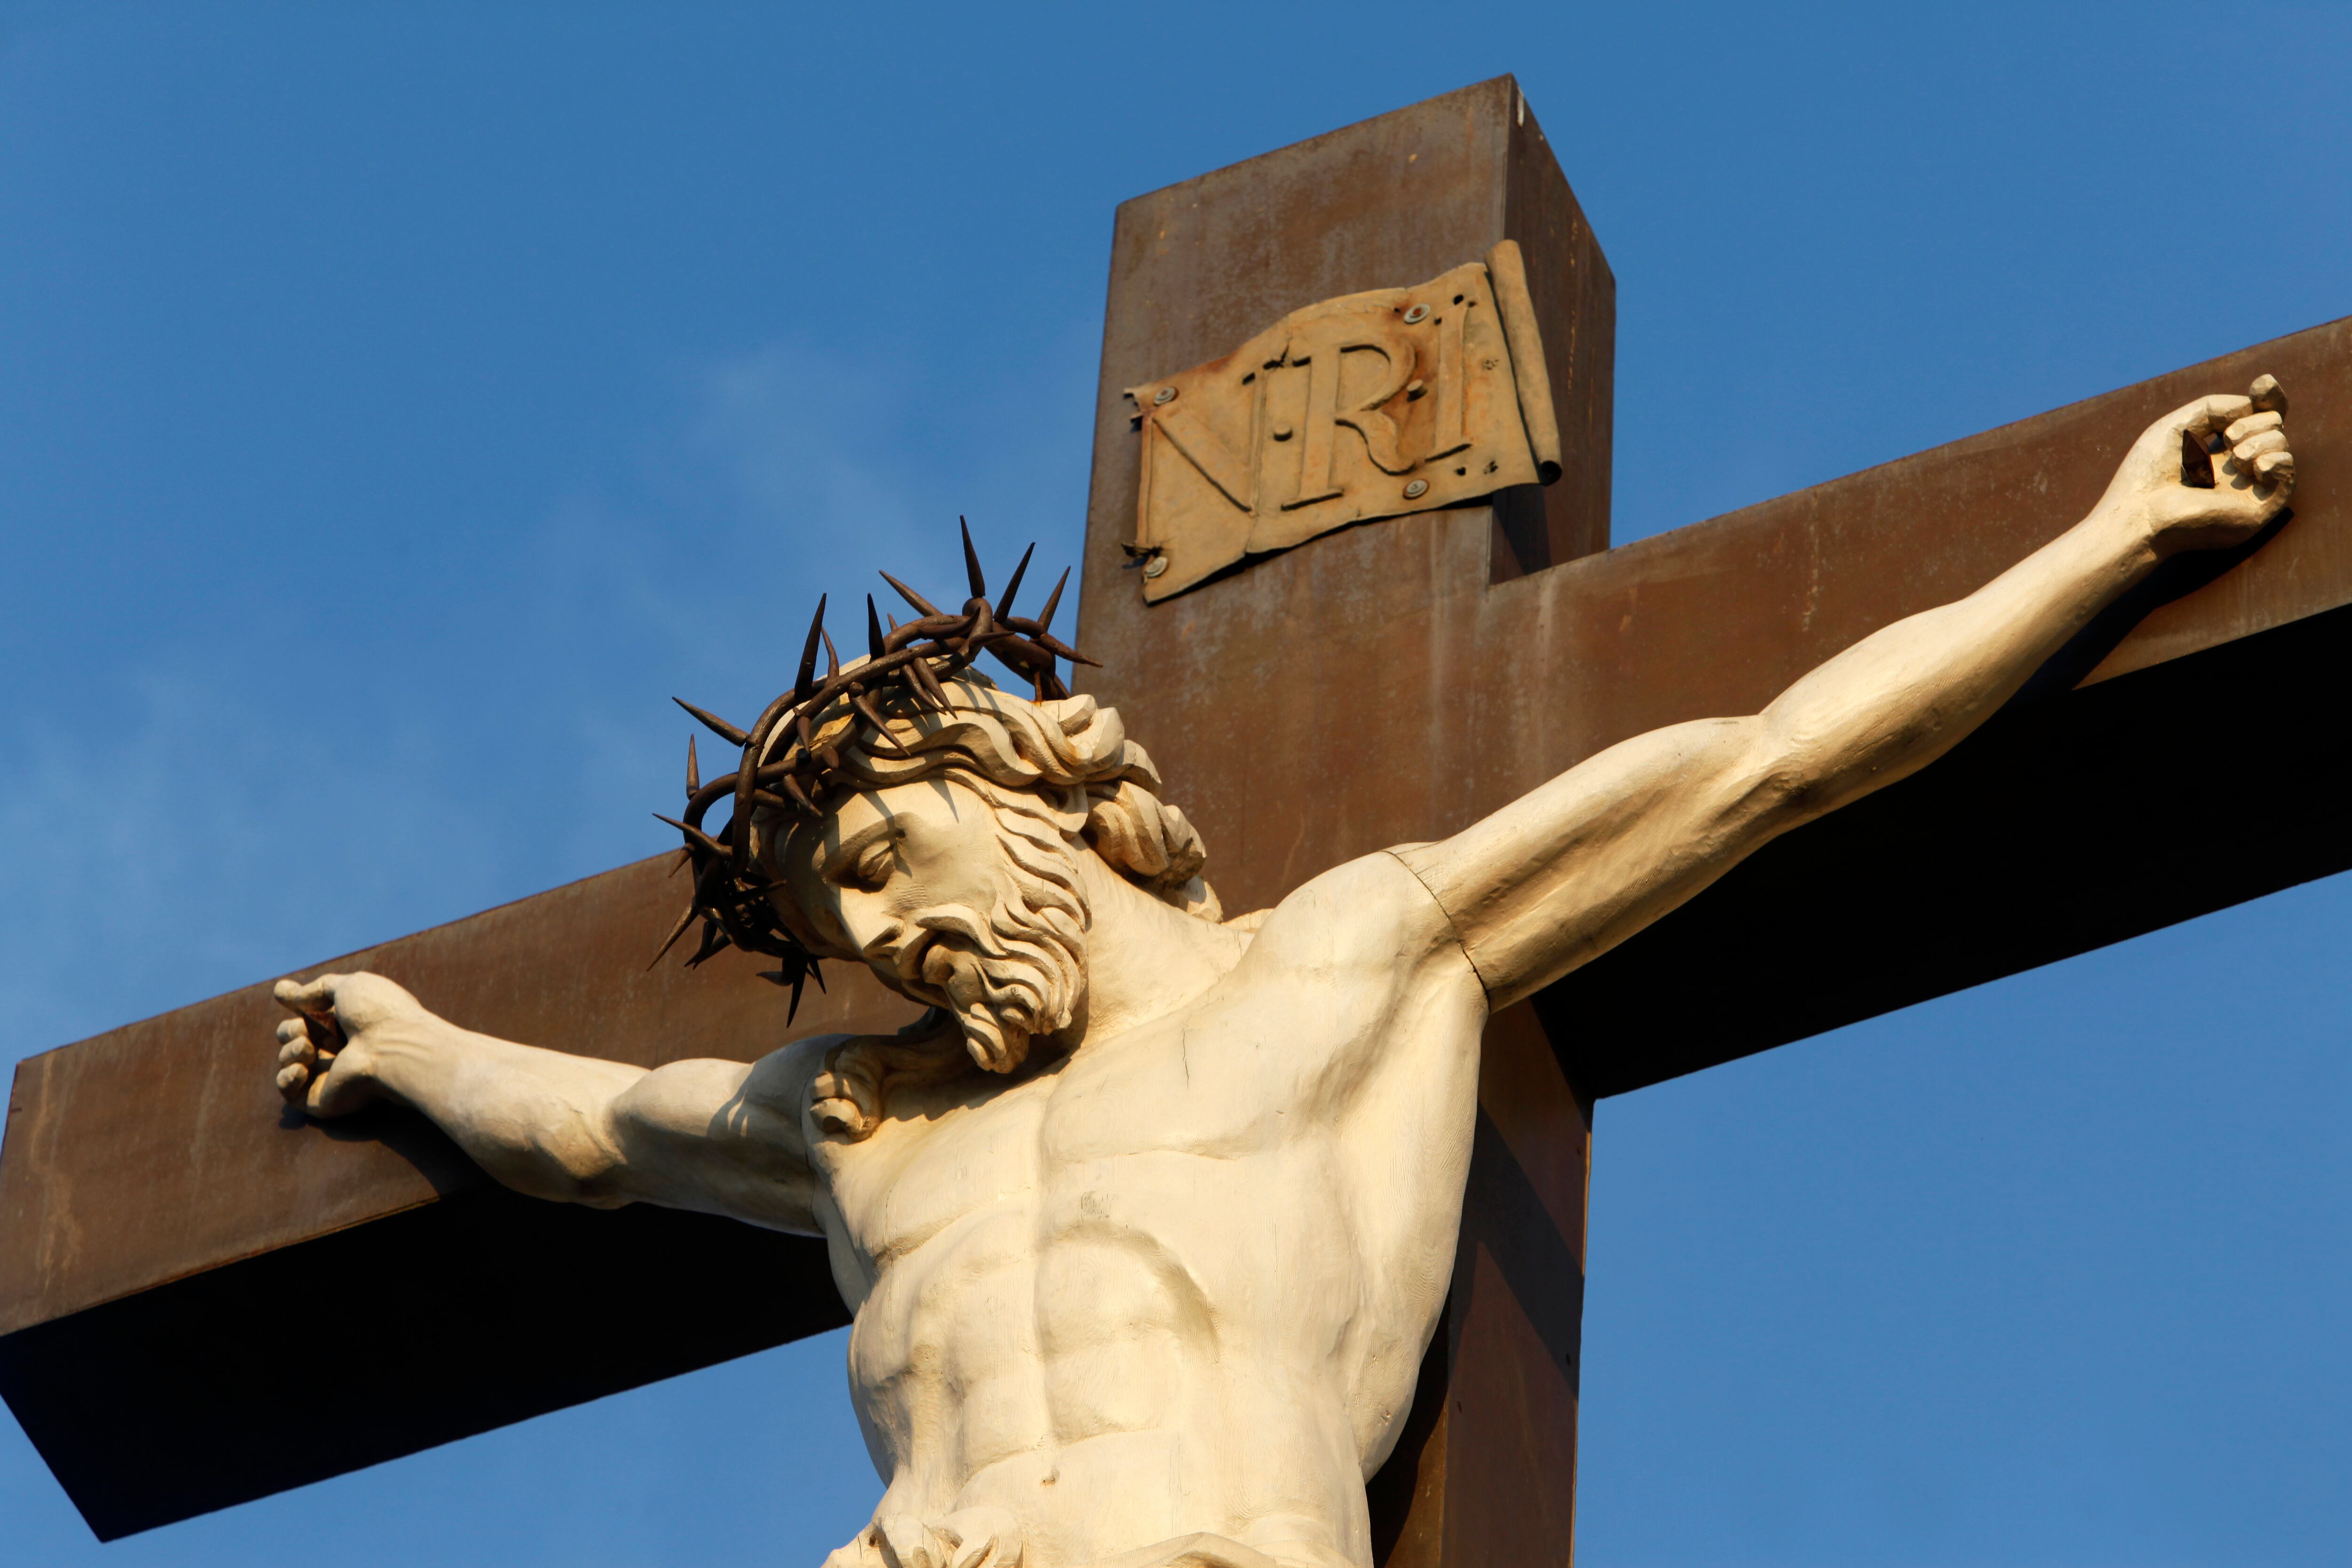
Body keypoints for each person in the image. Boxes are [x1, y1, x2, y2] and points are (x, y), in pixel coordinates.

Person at [272, 387, 2295, 1568]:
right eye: (829, 925)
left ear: (1038, 787)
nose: (877, 939)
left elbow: (1766, 763)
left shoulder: (1345, 956)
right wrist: (419, 1045)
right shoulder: (854, 1118)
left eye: (885, 861)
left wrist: (2103, 546)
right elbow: (590, 1138)